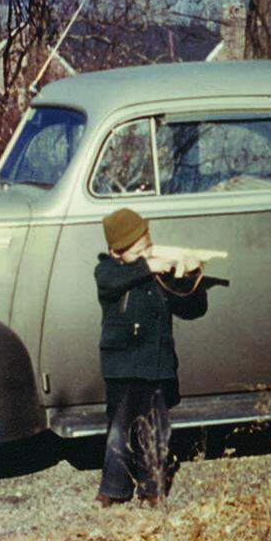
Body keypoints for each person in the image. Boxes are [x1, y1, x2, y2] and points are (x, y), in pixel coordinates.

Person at [94, 207, 208, 507]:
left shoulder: (159, 275)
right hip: (121, 364)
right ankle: (113, 487)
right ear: (115, 251)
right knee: (119, 429)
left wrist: (191, 273)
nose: (147, 255)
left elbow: (191, 308)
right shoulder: (107, 270)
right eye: (138, 251)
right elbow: (111, 282)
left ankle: (152, 488)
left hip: (156, 363)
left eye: (149, 248)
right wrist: (150, 266)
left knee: (154, 430)